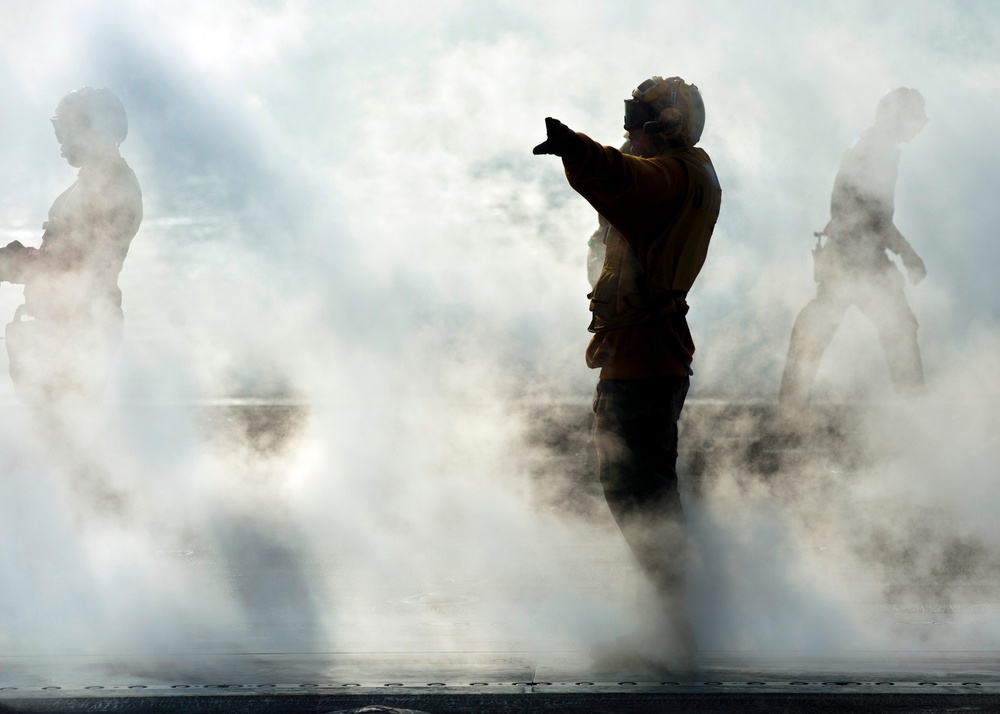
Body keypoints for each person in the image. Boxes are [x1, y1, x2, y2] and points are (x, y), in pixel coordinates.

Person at [534, 76, 721, 670]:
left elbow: (625, 180)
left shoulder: (669, 176)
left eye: (635, 122)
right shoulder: (690, 173)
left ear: (662, 126)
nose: (628, 134)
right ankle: (673, 631)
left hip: (645, 358)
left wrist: (577, 149)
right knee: (644, 494)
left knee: (642, 499)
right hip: (643, 354)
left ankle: (675, 639)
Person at [779, 87, 928, 406]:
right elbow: (873, 215)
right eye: (914, 119)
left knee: (820, 326)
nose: (915, 129)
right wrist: (908, 254)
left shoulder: (873, 145)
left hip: (851, 252)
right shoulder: (877, 150)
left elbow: (867, 212)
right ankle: (916, 409)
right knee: (898, 329)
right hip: (857, 256)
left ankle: (791, 406)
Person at [0, 87, 142, 405]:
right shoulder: (92, 182)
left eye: (69, 128)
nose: (62, 140)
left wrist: (10, 261)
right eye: (58, 128)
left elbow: (69, 260)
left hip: (77, 330)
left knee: (63, 435)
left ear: (98, 129)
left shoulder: (112, 187)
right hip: (62, 327)